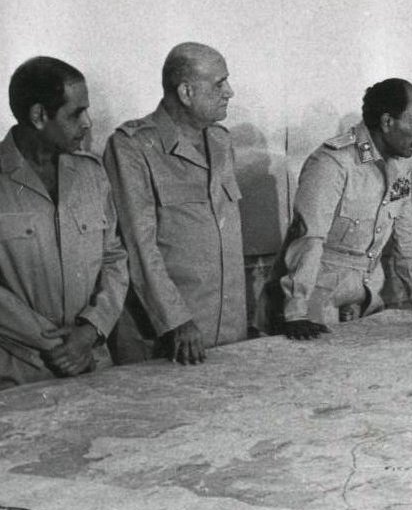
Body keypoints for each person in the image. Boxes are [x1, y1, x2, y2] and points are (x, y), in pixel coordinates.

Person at [260, 78, 412, 340]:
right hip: (314, 305)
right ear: (388, 122)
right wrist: (297, 311)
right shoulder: (334, 162)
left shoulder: (398, 166)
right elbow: (308, 238)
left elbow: (407, 234)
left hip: (363, 298)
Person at [103, 42, 246, 365]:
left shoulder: (221, 141)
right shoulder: (132, 147)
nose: (230, 92)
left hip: (227, 331)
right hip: (168, 338)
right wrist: (175, 320)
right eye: (219, 84)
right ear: (186, 92)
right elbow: (138, 246)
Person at [0, 57, 128, 387]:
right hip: (20, 372)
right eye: (75, 113)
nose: (88, 122)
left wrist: (89, 331)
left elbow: (114, 258)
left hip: (92, 362)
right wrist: (58, 345)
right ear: (39, 116)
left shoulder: (91, 172)